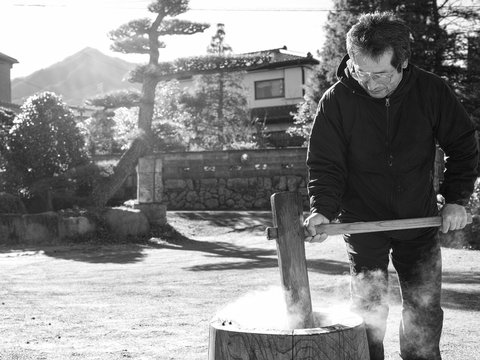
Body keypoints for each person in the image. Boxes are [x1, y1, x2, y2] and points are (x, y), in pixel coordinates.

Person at [303, 11, 478, 360]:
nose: (370, 83)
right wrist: (322, 209)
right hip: (363, 221)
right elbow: (326, 164)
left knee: (423, 308)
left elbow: (463, 146)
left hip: (418, 219)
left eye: (381, 74)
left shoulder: (430, 90)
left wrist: (456, 199)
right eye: (360, 71)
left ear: (404, 63)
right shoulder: (336, 101)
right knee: (368, 310)